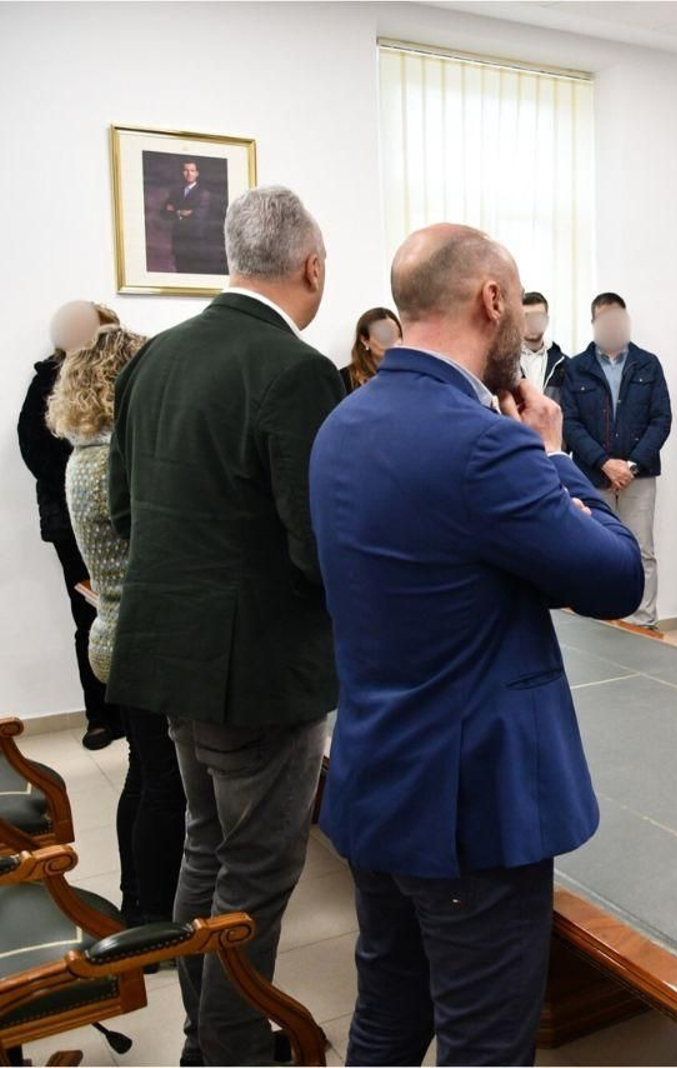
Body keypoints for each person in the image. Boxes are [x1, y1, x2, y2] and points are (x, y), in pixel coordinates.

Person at [311, 222, 644, 1065]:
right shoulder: (484, 445)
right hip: (469, 811)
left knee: (387, 1016)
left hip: (375, 779)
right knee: (485, 1045)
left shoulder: (343, 426)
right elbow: (613, 579)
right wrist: (556, 456)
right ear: (493, 300)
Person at [108, 185, 345, 1065]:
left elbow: (130, 512)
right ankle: (236, 1050)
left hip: (171, 658)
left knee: (205, 848)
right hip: (259, 674)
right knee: (257, 874)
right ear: (311, 266)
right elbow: (318, 542)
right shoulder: (295, 372)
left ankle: (204, 1036)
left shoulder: (152, 359)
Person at [46, 323, 187, 930]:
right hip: (141, 641)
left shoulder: (86, 453)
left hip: (115, 635)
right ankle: (152, 914)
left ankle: (138, 900)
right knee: (165, 786)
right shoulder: (113, 461)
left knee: (146, 773)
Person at [17, 300, 125, 750]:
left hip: (124, 511)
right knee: (90, 615)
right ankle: (100, 715)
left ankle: (137, 709)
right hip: (71, 519)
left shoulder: (124, 374)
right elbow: (35, 449)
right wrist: (85, 484)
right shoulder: (48, 379)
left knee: (128, 614)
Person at [559, 293, 671, 629]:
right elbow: (571, 423)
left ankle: (643, 622)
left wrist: (631, 465)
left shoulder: (648, 363)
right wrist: (605, 463)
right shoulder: (576, 367)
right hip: (592, 477)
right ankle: (600, 622)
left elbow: (661, 419)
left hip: (639, 476)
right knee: (593, 548)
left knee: (642, 551)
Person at [162, 160, 214, 273]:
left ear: (197, 173)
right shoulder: (175, 192)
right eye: (186, 170)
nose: (189, 173)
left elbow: (198, 216)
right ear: (182, 172)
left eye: (192, 170)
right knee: (179, 272)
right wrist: (181, 212)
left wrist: (175, 210)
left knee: (193, 274)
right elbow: (164, 213)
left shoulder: (204, 194)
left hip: (195, 243)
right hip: (178, 242)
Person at [519, 290, 569, 404]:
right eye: (526, 317)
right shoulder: (504, 363)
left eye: (538, 317)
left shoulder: (564, 365)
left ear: (546, 321)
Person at [342, 306, 402, 393]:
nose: (394, 341)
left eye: (397, 334)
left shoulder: (411, 374)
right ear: (364, 340)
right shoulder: (344, 379)